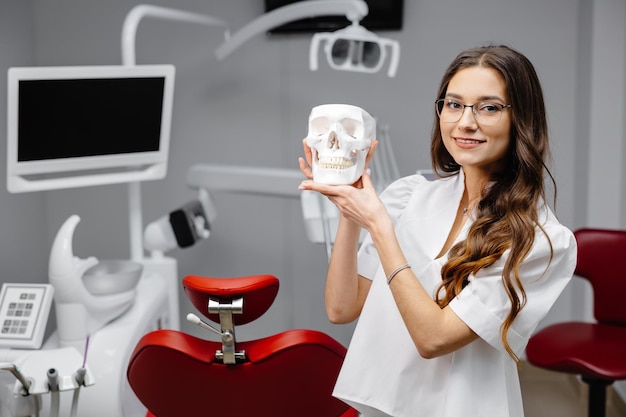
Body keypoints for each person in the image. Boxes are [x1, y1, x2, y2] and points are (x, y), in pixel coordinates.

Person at [297, 44, 577, 417]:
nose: (465, 122)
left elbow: (434, 338)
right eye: (454, 104)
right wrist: (351, 206)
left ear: (521, 119)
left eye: (489, 107)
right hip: (385, 405)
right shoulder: (407, 196)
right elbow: (341, 307)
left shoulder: (540, 240)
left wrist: (379, 227)